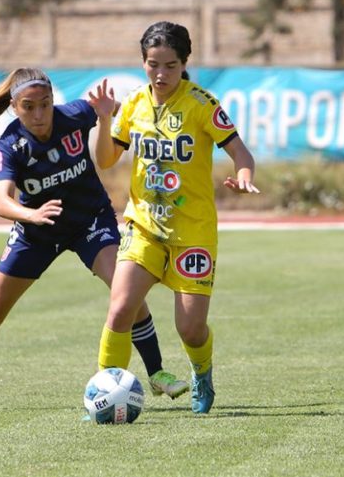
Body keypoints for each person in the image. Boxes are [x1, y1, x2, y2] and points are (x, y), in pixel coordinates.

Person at [0, 67, 189, 412]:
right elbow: (1, 201)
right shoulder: (10, 145)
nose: (39, 114)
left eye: (45, 104)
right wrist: (31, 215)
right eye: (28, 107)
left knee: (123, 290)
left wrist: (105, 114)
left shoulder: (78, 114)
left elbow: (112, 140)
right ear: (14, 107)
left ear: (54, 100)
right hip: (36, 232)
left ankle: (157, 372)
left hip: (89, 221)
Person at [91, 21, 260, 415]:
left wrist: (244, 177)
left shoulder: (202, 103)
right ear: (143, 63)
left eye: (170, 65)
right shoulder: (133, 104)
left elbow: (242, 155)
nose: (161, 74)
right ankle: (102, 392)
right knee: (120, 308)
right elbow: (104, 160)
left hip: (193, 231)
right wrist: (103, 120)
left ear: (185, 63)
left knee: (190, 328)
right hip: (144, 226)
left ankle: (202, 372)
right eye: (153, 65)